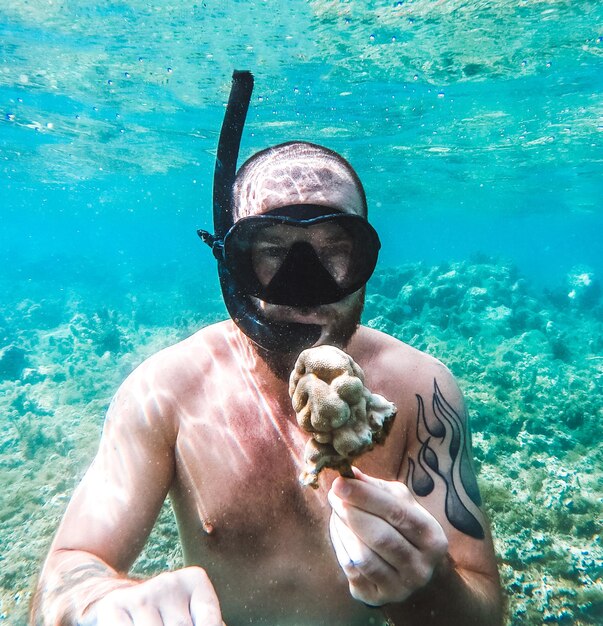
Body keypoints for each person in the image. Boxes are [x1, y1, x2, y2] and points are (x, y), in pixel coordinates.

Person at [32, 72, 503, 626]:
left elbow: (484, 611)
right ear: (232, 266)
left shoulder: (422, 391)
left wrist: (432, 586)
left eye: (336, 250)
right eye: (271, 250)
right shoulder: (167, 392)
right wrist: (99, 606)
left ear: (366, 261)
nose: (306, 291)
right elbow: (67, 569)